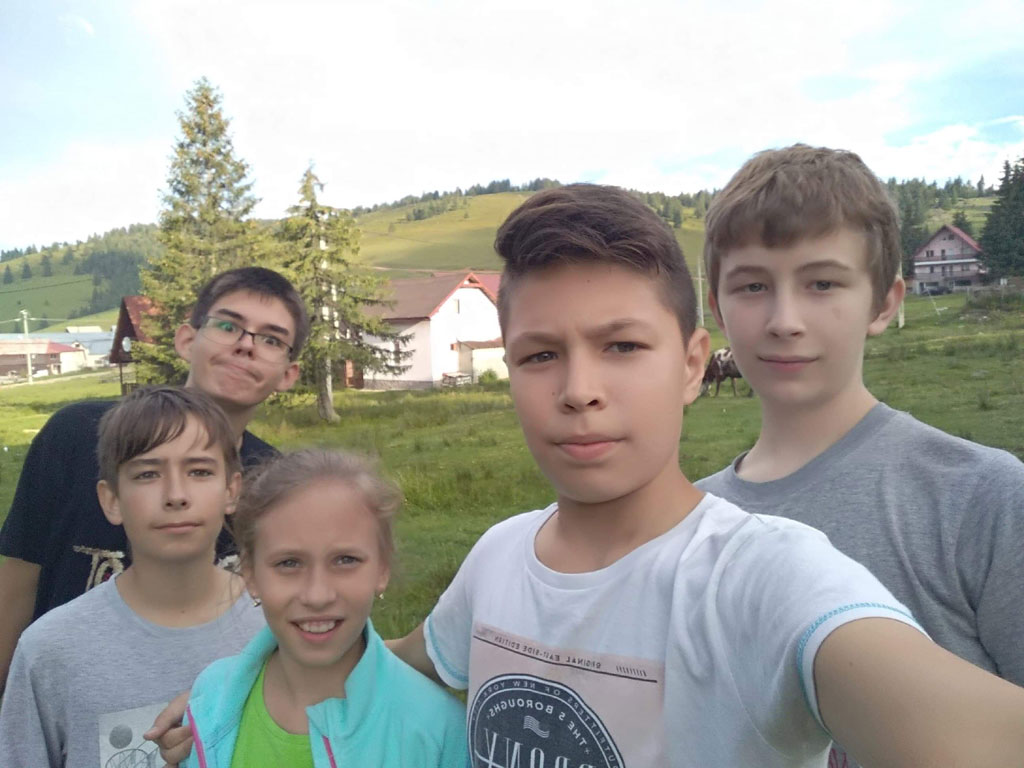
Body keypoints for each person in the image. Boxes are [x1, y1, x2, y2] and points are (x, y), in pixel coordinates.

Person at [154, 184, 1024, 767]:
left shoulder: (763, 579)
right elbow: (376, 664)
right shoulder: (499, 557)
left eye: (622, 347)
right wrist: (222, 700)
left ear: (693, 363)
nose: (579, 390)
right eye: (540, 355)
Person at [694, 143, 1024, 767]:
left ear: (884, 303)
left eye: (822, 283)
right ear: (718, 307)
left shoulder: (982, 497)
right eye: (753, 286)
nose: (784, 319)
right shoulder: (691, 523)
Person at [0, 266, 307, 691]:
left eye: (271, 339)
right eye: (227, 326)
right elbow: (17, 585)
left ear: (288, 374)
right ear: (187, 340)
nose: (245, 345)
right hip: (70, 697)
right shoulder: (76, 435)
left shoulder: (278, 483)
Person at [0, 387, 266, 767]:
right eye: (148, 474)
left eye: (199, 471)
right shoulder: (49, 651)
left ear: (232, 491)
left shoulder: (278, 627)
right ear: (111, 500)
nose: (176, 495)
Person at [180, 449, 467, 767]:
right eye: (289, 563)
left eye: (345, 560)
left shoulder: (438, 732)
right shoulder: (211, 697)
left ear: (382, 568)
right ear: (250, 574)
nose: (317, 595)